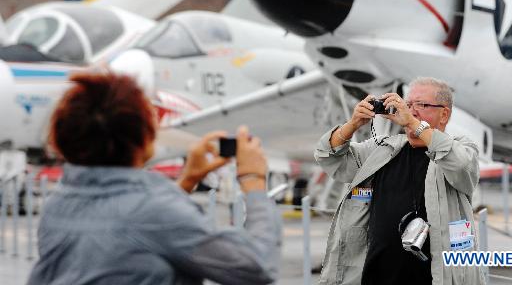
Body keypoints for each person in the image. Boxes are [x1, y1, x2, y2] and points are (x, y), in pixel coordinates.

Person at [27, 72, 281, 285]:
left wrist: (186, 181)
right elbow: (254, 266)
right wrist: (253, 181)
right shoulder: (153, 211)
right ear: (144, 137)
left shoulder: (57, 205)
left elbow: (130, 225)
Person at [315, 77, 483, 285]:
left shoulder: (461, 149)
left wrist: (413, 123)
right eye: (408, 104)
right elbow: (327, 156)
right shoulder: (383, 150)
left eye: (421, 105)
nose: (411, 111)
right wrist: (353, 124)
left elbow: (461, 166)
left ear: (444, 114)